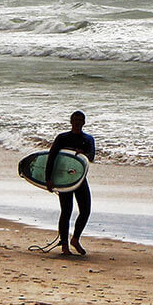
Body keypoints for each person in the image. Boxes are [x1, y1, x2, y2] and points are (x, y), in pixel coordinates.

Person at [50, 110, 95, 256]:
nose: (77, 122)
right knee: (66, 211)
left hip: (80, 179)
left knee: (86, 210)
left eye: (80, 119)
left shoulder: (88, 139)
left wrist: (82, 153)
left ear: (84, 122)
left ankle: (75, 239)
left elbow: (91, 157)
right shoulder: (62, 138)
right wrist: (49, 179)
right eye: (75, 119)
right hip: (64, 179)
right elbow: (51, 158)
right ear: (71, 121)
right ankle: (64, 245)